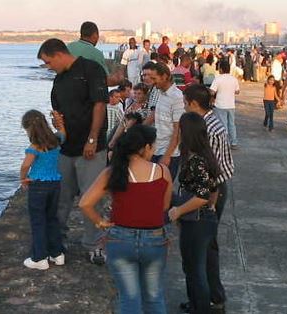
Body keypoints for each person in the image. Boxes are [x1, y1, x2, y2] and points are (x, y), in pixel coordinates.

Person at [79, 124, 172, 314]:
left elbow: (84, 203)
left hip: (120, 240)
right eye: (152, 147)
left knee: (129, 299)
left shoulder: (113, 172)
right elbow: (163, 207)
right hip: (154, 240)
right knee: (154, 297)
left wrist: (100, 222)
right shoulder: (163, 172)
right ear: (145, 148)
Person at [37, 38, 109, 264]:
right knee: (61, 198)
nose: (48, 67)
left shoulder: (91, 69)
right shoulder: (58, 81)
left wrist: (92, 139)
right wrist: (57, 123)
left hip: (91, 148)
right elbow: (58, 112)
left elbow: (100, 104)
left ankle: (94, 245)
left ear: (58, 54)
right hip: (66, 149)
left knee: (91, 198)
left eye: (48, 62)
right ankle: (57, 242)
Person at [182, 84, 235, 313]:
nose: (184, 106)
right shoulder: (211, 121)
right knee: (207, 245)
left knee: (203, 248)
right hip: (213, 188)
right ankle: (208, 296)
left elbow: (209, 176)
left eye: (185, 102)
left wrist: (204, 204)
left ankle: (208, 299)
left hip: (211, 191)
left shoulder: (208, 129)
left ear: (194, 104)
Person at [167, 112, 221, 314]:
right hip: (205, 219)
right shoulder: (204, 156)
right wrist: (212, 207)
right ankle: (196, 303)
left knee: (195, 268)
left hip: (196, 221)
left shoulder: (194, 161)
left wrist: (177, 210)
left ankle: (201, 307)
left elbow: (202, 195)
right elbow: (214, 188)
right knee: (195, 266)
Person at [19, 110, 67, 270]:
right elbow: (62, 132)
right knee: (51, 219)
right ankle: (57, 254)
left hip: (38, 186)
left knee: (38, 221)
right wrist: (58, 120)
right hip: (55, 185)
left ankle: (39, 257)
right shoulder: (56, 140)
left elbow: (26, 165)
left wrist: (23, 178)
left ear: (29, 129)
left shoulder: (34, 147)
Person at [147, 62, 184, 178]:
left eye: (154, 78)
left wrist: (167, 156)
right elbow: (155, 115)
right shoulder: (160, 93)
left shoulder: (177, 97)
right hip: (156, 148)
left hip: (168, 152)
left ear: (164, 77)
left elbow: (178, 131)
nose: (152, 81)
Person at [67, 21, 123, 86]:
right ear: (95, 35)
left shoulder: (68, 47)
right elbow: (107, 81)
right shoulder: (96, 54)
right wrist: (119, 79)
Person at [209, 61, 240, 149]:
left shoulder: (218, 79)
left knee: (223, 124)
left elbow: (212, 91)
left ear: (221, 69)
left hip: (220, 105)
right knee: (232, 124)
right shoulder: (234, 79)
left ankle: (225, 142)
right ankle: (234, 142)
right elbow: (237, 91)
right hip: (231, 105)